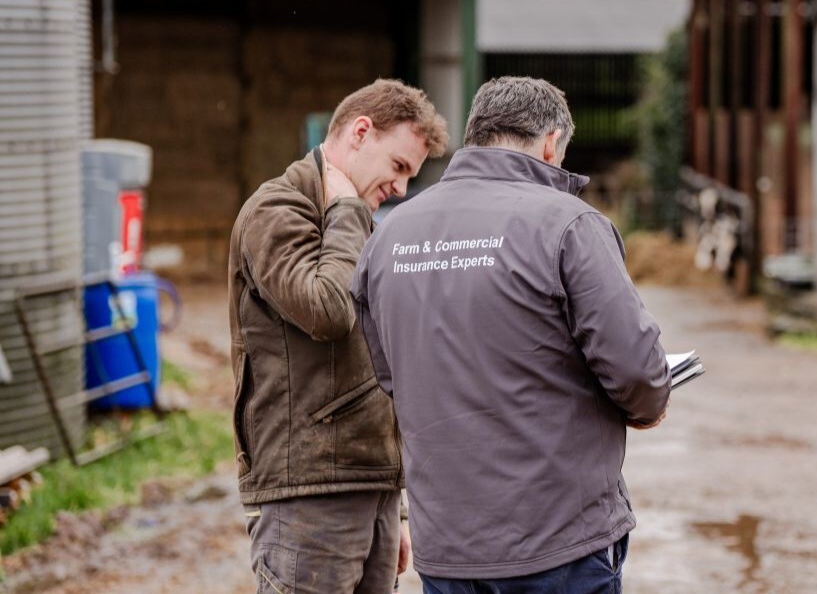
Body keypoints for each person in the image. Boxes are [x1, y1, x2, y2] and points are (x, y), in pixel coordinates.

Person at [352, 76, 672, 593]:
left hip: (449, 547)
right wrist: (650, 405)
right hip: (558, 542)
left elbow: (390, 372)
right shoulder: (569, 224)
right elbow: (637, 370)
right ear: (550, 144)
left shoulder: (389, 235)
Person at [227, 78, 448, 593]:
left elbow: (381, 359)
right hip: (309, 494)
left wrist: (391, 504)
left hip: (364, 486)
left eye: (411, 176)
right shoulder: (277, 211)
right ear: (361, 132)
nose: (402, 190)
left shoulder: (355, 225)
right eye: (398, 167)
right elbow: (327, 310)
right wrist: (347, 208)